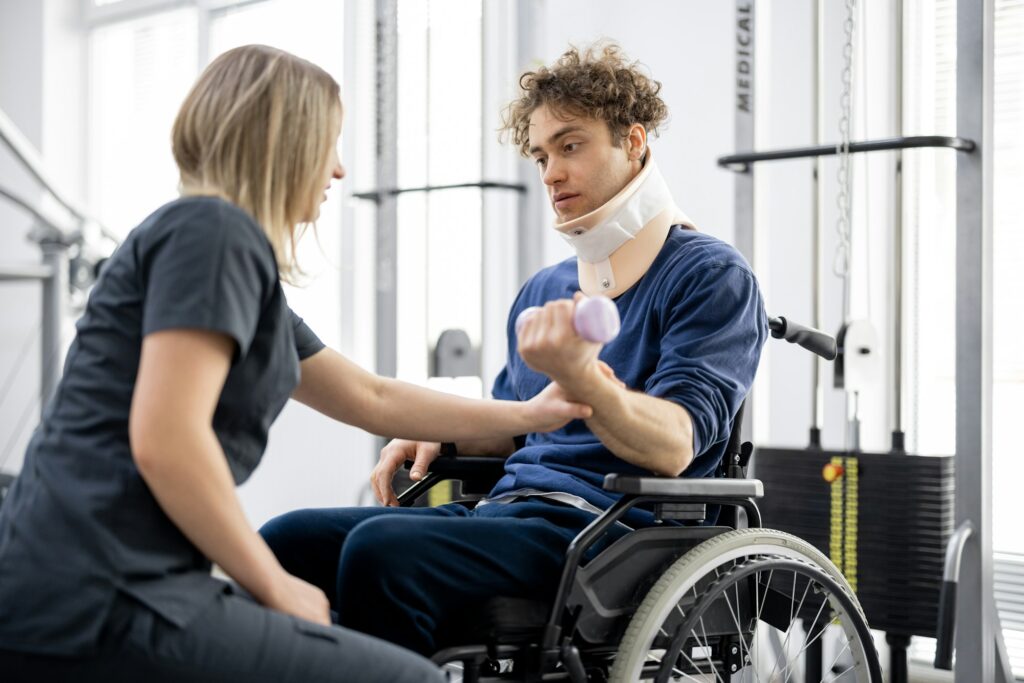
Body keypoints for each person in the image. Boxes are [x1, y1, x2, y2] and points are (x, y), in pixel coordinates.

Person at [0, 45, 594, 682]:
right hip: (100, 594)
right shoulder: (214, 236)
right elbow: (168, 441)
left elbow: (372, 398)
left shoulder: (213, 249)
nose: (338, 171)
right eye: (329, 144)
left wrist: (530, 411)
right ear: (283, 143)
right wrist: (273, 585)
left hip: (90, 580)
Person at [259, 42, 770, 658]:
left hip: (611, 532)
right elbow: (513, 426)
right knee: (286, 541)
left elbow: (673, 447)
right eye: (541, 154)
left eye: (571, 145)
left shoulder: (710, 275)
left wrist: (584, 378)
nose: (551, 171)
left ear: (634, 141)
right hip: (511, 510)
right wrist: (443, 438)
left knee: (380, 554)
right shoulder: (547, 290)